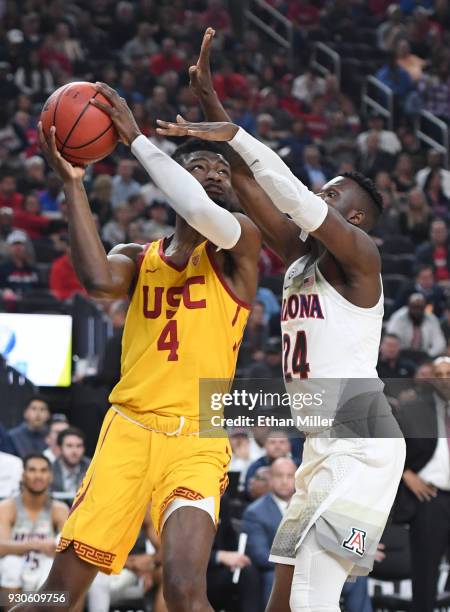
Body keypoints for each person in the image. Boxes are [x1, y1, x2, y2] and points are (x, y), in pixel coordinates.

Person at [157, 28, 406, 612]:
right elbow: (256, 195)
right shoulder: (302, 262)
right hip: (322, 445)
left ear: (357, 217)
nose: (321, 195)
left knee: (316, 594)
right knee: (283, 596)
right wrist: (215, 126)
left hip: (364, 445)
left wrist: (235, 131)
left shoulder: (361, 259)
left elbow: (291, 197)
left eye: (333, 196)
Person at [20, 78, 260, 612]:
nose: (215, 176)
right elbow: (98, 280)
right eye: (201, 168)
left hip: (197, 438)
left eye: (223, 171)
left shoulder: (241, 241)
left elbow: (200, 214)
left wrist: (133, 138)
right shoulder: (140, 254)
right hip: (128, 431)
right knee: (58, 593)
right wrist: (74, 184)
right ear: (172, 179)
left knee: (181, 585)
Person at [394, 356, 450, 612]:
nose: (443, 379)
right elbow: (390, 445)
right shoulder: (414, 408)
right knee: (425, 570)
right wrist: (405, 472)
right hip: (430, 498)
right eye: (437, 374)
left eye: (448, 373)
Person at [0, 454, 68, 604]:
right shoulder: (7, 507)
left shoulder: (60, 509)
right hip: (12, 574)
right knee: (10, 564)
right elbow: (1, 548)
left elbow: (66, 552)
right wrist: (37, 545)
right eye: (32, 470)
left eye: (43, 470)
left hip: (44, 569)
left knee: (61, 570)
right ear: (22, 475)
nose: (38, 476)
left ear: (50, 476)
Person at [241, 457, 296, 608]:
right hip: (277, 571)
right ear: (270, 478)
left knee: (355, 579)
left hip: (310, 568)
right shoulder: (255, 512)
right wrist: (296, 564)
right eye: (279, 475)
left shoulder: (309, 507)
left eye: (290, 476)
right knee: (275, 577)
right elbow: (261, 556)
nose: (285, 481)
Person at [387, 293, 446, 357]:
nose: (417, 310)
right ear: (409, 306)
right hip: (402, 354)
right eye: (414, 307)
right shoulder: (398, 317)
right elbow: (392, 337)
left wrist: (429, 355)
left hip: (424, 355)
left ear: (424, 308)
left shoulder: (432, 319)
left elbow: (439, 343)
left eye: (420, 307)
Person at [51, 428, 90, 500]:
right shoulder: (49, 470)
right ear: (59, 448)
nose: (74, 451)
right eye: (69, 446)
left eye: (79, 446)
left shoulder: (92, 469)